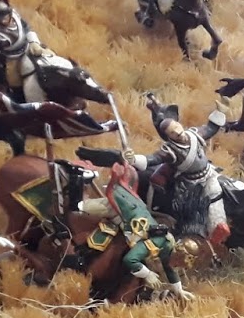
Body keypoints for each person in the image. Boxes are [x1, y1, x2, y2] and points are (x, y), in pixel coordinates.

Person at [74, 160, 191, 300]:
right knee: (79, 208)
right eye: (178, 263)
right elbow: (130, 259)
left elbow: (169, 268)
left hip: (133, 209)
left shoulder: (168, 246)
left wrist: (179, 290)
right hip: (120, 209)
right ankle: (75, 191)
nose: (176, 267)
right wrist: (147, 274)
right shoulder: (156, 243)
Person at [137, 94, 229, 248]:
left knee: (217, 191)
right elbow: (154, 159)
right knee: (193, 207)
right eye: (173, 133)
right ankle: (193, 235)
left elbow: (210, 128)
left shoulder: (194, 134)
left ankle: (218, 226)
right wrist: (134, 159)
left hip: (208, 173)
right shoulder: (171, 150)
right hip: (188, 183)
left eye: (177, 128)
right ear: (169, 137)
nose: (178, 133)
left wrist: (220, 111)